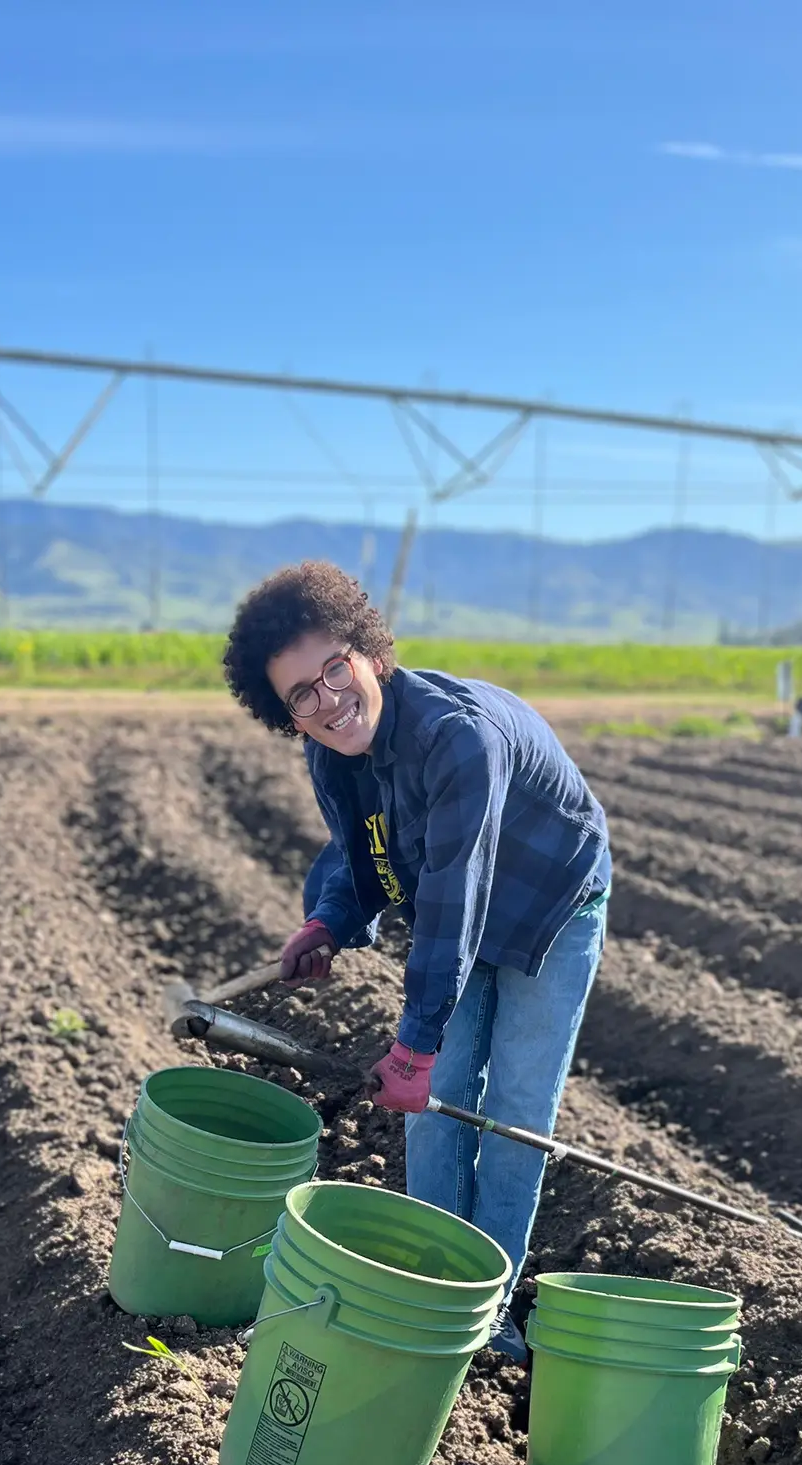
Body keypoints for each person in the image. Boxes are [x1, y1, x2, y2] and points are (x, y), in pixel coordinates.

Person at [223, 561, 610, 1361]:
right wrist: (329, 918)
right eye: (301, 694)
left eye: (335, 669)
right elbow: (363, 850)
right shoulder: (331, 752)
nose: (327, 700)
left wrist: (415, 1040)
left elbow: (451, 896)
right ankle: (429, 1288)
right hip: (459, 901)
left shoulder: (454, 737)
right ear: (284, 712)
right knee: (432, 1105)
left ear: (369, 653)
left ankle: (486, 1316)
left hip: (549, 902)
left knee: (512, 1115)